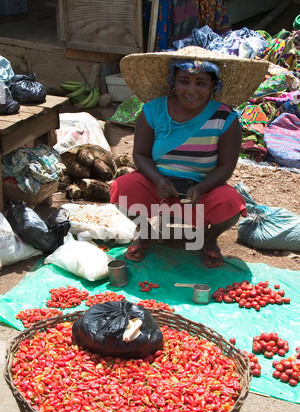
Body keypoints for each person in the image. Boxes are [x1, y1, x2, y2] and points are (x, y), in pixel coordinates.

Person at [110, 46, 268, 267]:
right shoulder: (153, 110)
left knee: (232, 203)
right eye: (184, 80)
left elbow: (225, 167)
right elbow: (140, 154)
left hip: (201, 190)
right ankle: (145, 233)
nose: (191, 90)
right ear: (173, 82)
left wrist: (201, 188)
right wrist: (157, 179)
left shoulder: (226, 118)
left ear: (213, 86)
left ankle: (209, 241)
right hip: (158, 186)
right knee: (121, 188)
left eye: (201, 83)